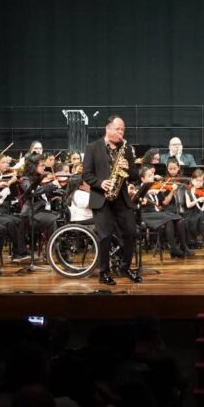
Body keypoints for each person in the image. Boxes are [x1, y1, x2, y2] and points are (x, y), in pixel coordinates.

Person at [83, 115, 142, 285]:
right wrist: (101, 183)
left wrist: (128, 168)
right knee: (105, 236)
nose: (121, 133)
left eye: (123, 130)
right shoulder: (93, 148)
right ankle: (104, 273)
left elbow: (135, 176)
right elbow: (86, 174)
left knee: (131, 232)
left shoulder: (126, 148)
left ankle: (125, 267)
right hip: (102, 197)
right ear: (108, 129)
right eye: (118, 129)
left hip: (121, 198)